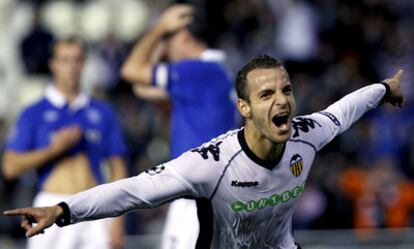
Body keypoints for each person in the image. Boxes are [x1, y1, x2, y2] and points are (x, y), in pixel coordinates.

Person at [4, 55, 405, 249]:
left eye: (286, 90)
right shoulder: (211, 164)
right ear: (244, 109)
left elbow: (345, 110)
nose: (281, 101)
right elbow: (132, 192)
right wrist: (62, 211)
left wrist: (385, 89)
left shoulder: (306, 135)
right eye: (266, 94)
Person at [121, 4, 236, 249]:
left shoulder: (197, 71)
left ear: (183, 35)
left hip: (196, 198)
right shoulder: (214, 71)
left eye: (168, 40)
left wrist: (157, 30)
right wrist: (162, 38)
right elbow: (140, 88)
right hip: (201, 194)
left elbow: (130, 71)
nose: (165, 49)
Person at [2, 37, 128, 249]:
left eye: (77, 60)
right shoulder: (34, 113)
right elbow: (10, 166)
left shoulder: (101, 111)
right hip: (50, 203)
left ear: (84, 63)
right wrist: (54, 149)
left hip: (93, 204)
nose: (71, 67)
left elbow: (118, 167)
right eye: (65, 60)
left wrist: (118, 220)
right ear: (53, 64)